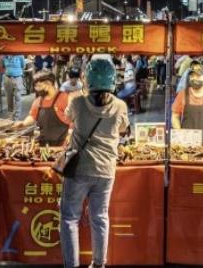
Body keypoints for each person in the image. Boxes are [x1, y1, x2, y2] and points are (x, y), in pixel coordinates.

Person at [60, 58, 129, 268]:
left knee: (70, 218)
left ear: (87, 80)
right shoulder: (120, 105)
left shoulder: (78, 102)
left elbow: (67, 117)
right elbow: (123, 128)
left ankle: (71, 265)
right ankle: (98, 264)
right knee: (100, 217)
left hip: (79, 169)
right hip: (106, 170)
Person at [14, 70, 71, 146]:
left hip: (62, 143)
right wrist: (23, 123)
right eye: (35, 86)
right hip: (44, 143)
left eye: (39, 86)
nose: (37, 89)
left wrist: (69, 138)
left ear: (49, 83)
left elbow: (73, 121)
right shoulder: (38, 101)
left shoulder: (64, 98)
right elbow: (33, 116)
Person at [2, 55, 26, 120]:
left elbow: (23, 66)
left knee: (18, 98)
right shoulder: (4, 56)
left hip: (18, 78)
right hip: (7, 78)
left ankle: (16, 117)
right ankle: (10, 115)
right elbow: (3, 66)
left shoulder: (20, 56)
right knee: (9, 98)